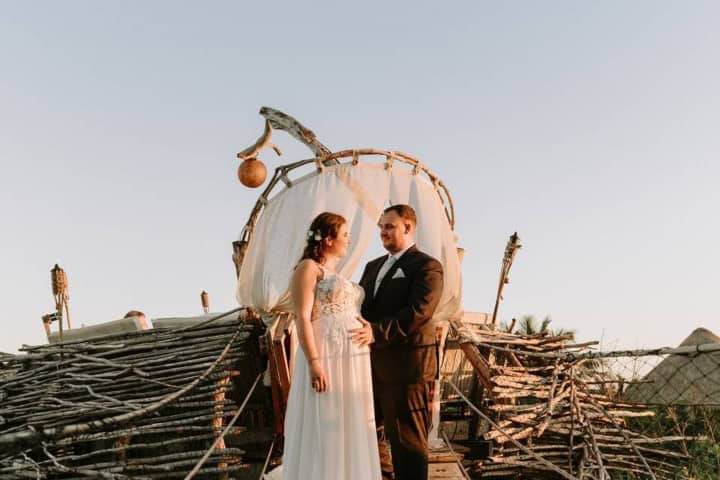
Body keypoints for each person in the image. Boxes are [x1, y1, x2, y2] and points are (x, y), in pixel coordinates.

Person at [270, 212, 381, 480]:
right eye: (344, 235)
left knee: (348, 423)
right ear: (328, 239)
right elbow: (303, 317)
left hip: (353, 357)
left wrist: (368, 327)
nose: (349, 240)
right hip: (329, 355)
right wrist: (315, 362)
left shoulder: (335, 273)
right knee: (327, 418)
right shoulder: (308, 268)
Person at [357, 204, 444, 480]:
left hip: (408, 370)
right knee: (367, 436)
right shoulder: (373, 267)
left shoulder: (427, 266)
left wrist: (377, 332)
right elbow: (361, 309)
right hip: (369, 369)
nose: (382, 232)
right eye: (381, 226)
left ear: (408, 227)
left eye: (389, 226)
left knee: (407, 445)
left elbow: (420, 311)